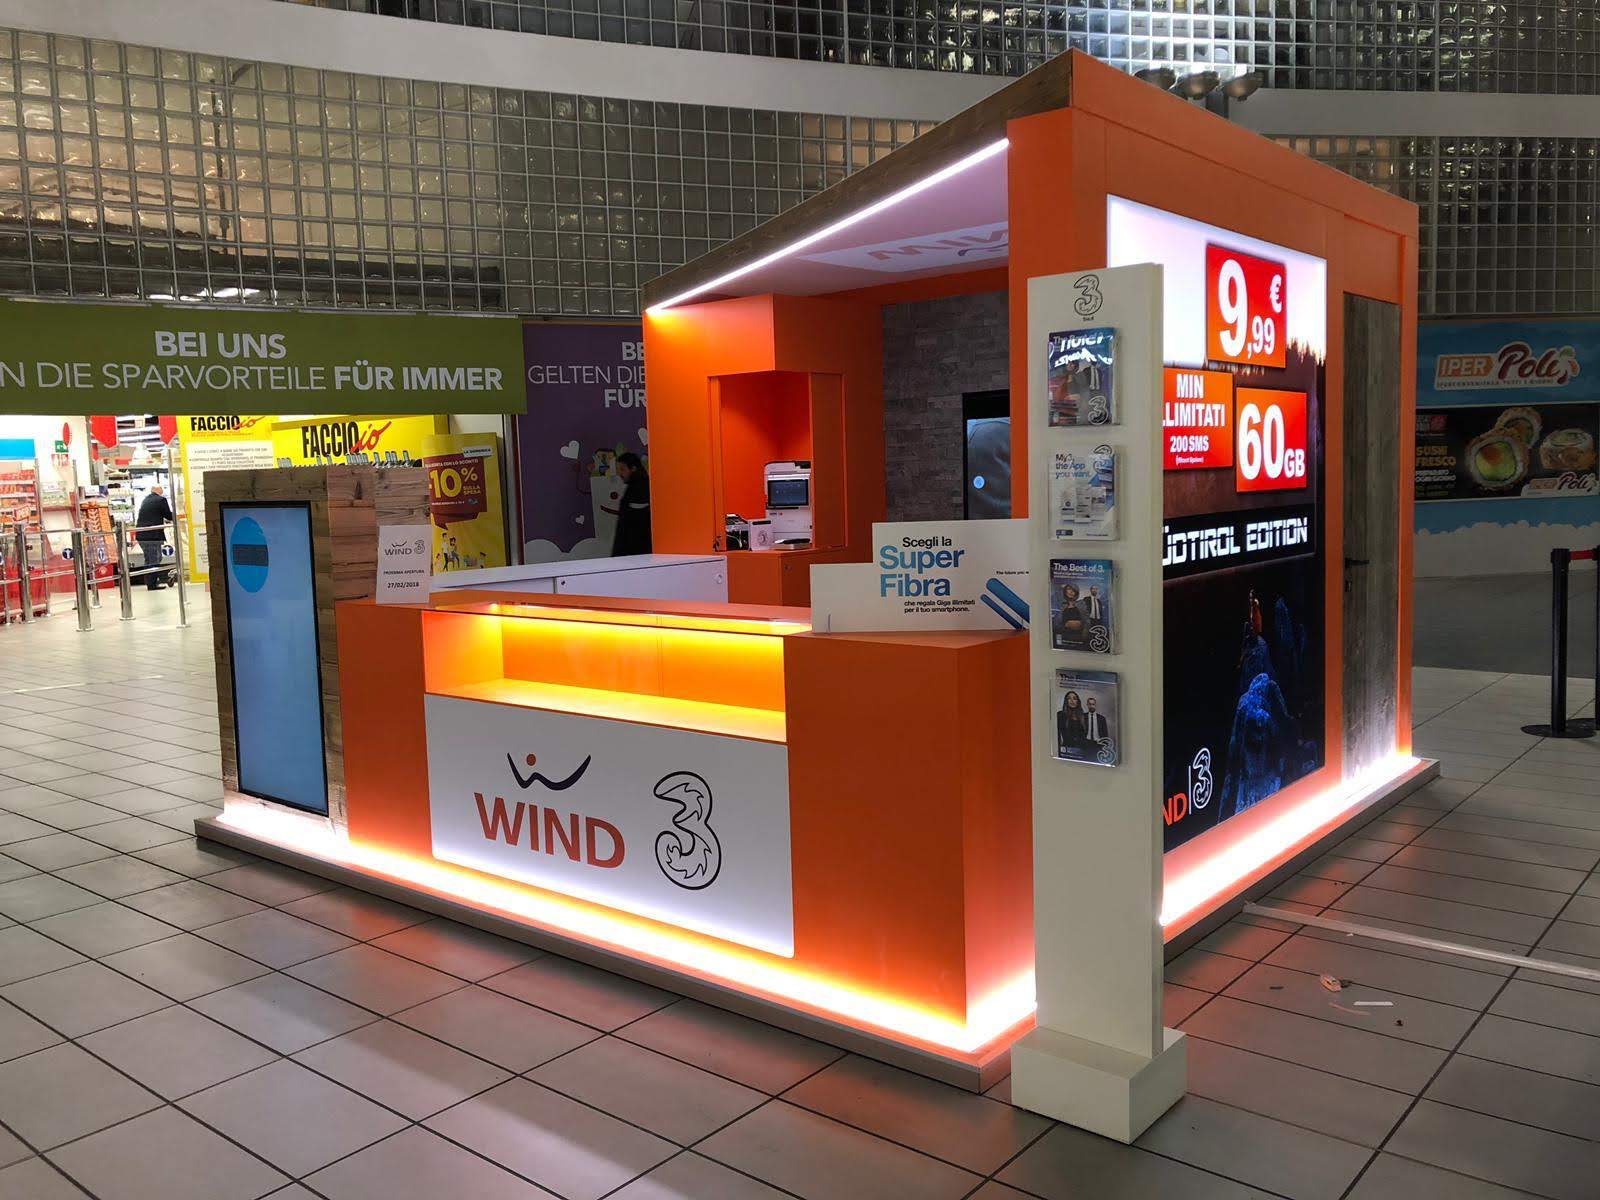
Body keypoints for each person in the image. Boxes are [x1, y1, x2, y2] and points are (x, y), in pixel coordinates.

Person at [611, 451, 652, 556]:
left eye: (622, 469)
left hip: (636, 551)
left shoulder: (638, 488)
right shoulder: (640, 485)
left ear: (633, 468)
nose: (620, 474)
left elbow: (627, 524)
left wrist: (618, 553)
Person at [134, 485, 173, 590]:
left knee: (149, 559)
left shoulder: (145, 499)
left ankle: (150, 582)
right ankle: (152, 584)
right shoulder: (161, 500)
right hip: (152, 535)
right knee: (155, 559)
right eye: (162, 490)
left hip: (141, 535)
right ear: (159, 490)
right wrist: (178, 516)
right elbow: (168, 516)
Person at [1056, 689, 1086, 758]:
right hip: (1067, 750)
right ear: (1066, 701)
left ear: (1078, 701)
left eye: (1074, 698)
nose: (1072, 701)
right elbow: (1057, 735)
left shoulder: (1083, 716)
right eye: (1069, 698)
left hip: (1082, 750)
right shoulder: (1060, 715)